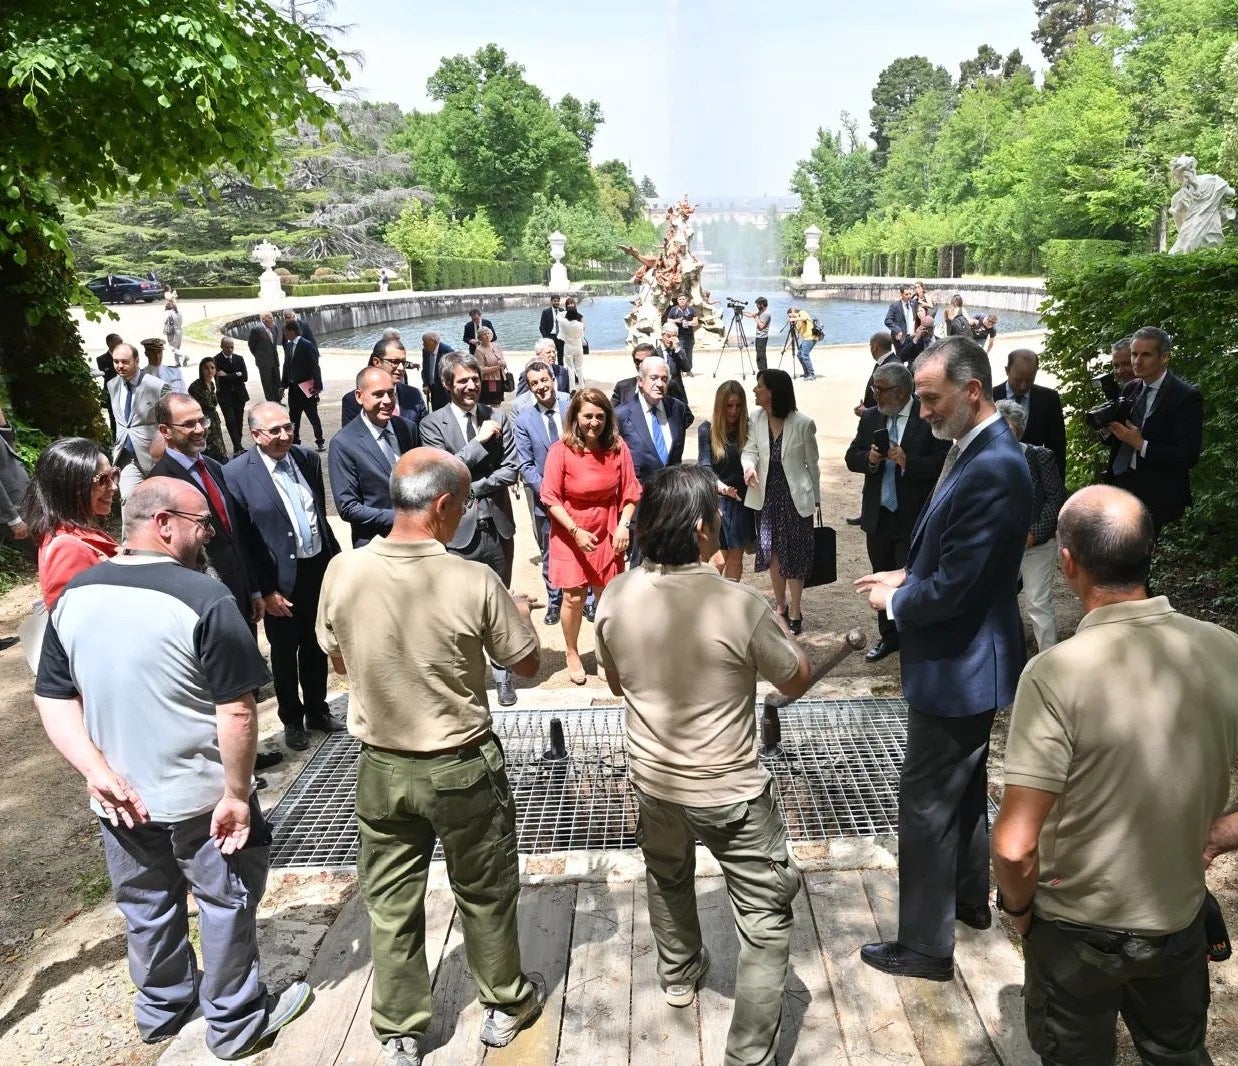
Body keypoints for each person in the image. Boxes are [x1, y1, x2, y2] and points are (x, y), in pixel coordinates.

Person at [34, 477, 311, 1059]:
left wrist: (95, 771)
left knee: (145, 904)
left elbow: (53, 697)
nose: (208, 533)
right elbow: (236, 710)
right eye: (202, 522)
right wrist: (237, 793)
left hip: (118, 798)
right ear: (165, 523)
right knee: (225, 901)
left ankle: (162, 1008)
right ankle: (235, 1023)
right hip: (199, 796)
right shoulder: (205, 599)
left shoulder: (75, 596)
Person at [992, 485, 1238, 1065]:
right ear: (1148, 552)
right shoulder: (1224, 649)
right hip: (1178, 921)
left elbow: (1013, 846)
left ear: (1067, 560)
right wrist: (1225, 832)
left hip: (1075, 931)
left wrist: (1021, 912)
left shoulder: (1055, 674)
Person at [315, 449, 545, 1065]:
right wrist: (520, 616)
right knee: (486, 886)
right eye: (464, 504)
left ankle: (401, 1029)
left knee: (389, 899)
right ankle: (504, 1001)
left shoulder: (343, 570)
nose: (465, 514)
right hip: (461, 764)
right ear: (442, 506)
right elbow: (524, 665)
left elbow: (337, 657)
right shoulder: (472, 579)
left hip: (381, 764)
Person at [594, 464, 812, 1066]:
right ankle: (747, 1055)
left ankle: (679, 972)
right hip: (732, 792)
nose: (722, 523)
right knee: (766, 921)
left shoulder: (616, 595)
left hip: (653, 783)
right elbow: (792, 679)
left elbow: (616, 684)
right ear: (699, 530)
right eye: (716, 516)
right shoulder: (735, 603)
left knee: (667, 878)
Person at [854, 336, 1031, 982]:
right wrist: (904, 573)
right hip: (970, 660)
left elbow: (958, 586)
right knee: (961, 791)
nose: (922, 411)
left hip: (960, 666)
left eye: (930, 398)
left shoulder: (991, 465)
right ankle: (967, 902)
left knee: (926, 801)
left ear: (972, 390)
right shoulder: (976, 448)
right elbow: (955, 558)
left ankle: (926, 947)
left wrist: (898, 604)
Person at [224, 401, 346, 752]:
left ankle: (317, 711)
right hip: (277, 579)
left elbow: (318, 516)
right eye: (274, 431)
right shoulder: (237, 474)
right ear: (256, 435)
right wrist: (265, 590)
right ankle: (291, 719)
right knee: (284, 651)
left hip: (315, 569)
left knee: (315, 644)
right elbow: (244, 542)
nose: (284, 436)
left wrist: (332, 565)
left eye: (288, 427)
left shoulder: (307, 459)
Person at [419, 352, 522, 706]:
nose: (471, 386)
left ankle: (502, 673)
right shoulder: (431, 424)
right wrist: (479, 442)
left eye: (475, 379)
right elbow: (443, 472)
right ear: (447, 384)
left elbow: (511, 468)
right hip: (455, 531)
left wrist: (472, 488)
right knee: (457, 608)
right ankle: (465, 679)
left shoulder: (498, 416)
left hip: (498, 525)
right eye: (462, 380)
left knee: (499, 603)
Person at [844, 362, 949, 663]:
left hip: (913, 517)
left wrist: (908, 461)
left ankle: (914, 638)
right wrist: (871, 459)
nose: (874, 395)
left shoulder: (926, 415)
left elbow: (944, 462)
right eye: (874, 388)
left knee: (911, 579)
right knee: (880, 575)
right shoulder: (872, 418)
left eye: (880, 390)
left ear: (901, 391)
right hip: (878, 514)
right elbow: (852, 456)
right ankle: (888, 637)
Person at [540, 389, 640, 684]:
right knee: (573, 598)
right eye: (588, 416)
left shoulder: (618, 448)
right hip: (571, 531)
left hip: (607, 527)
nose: (594, 422)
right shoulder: (561, 450)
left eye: (599, 416)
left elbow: (631, 491)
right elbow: (550, 497)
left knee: (607, 598)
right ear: (576, 417)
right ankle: (571, 651)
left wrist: (624, 524)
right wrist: (575, 530)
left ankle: (606, 653)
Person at [151, 394, 269, 628]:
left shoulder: (215, 468)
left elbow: (235, 534)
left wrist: (253, 589)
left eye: (202, 421)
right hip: (202, 604)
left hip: (239, 594)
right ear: (165, 431)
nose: (199, 429)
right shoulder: (159, 483)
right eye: (188, 424)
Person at [1105, 325, 1203, 534]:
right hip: (1122, 481)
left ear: (1164, 357)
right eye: (1134, 354)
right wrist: (1108, 429)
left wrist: (1141, 444)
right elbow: (1120, 438)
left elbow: (1188, 456)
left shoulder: (1185, 397)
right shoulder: (1132, 387)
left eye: (1146, 355)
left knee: (1139, 557)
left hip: (1156, 492)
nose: (1137, 361)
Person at [742, 369, 820, 635]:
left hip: (794, 497)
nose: (755, 390)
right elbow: (750, 450)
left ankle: (796, 608)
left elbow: (813, 465)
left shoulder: (803, 423)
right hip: (766, 497)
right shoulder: (756, 418)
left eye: (760, 386)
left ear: (773, 391)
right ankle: (780, 605)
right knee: (773, 551)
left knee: (795, 554)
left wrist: (817, 500)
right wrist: (749, 467)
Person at [998, 400, 1066, 652]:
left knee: (1038, 604)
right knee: (998, 602)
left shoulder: (1040, 457)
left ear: (1020, 430)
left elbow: (1055, 499)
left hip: (1036, 545)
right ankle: (1007, 657)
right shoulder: (986, 460)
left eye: (1010, 430)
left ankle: (1049, 659)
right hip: (1001, 545)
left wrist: (1033, 535)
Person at [24, 438, 119, 609]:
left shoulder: (78, 530)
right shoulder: (67, 548)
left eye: (114, 475)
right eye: (104, 480)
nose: (114, 487)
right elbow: (76, 619)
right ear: (72, 487)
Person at [328, 367, 416, 547]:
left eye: (391, 393)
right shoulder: (343, 443)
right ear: (359, 396)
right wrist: (400, 518)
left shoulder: (408, 428)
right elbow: (348, 507)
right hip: (375, 544)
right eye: (378, 394)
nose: (387, 401)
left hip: (416, 538)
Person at [513, 360, 572, 625]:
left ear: (553, 379)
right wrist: (547, 494)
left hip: (577, 496)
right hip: (545, 500)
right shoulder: (524, 419)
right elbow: (525, 464)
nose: (541, 387)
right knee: (550, 552)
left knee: (582, 547)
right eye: (534, 383)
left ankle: (589, 600)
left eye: (544, 380)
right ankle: (555, 601)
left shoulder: (571, 407)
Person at [697, 381, 754, 581]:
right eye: (729, 406)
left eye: (738, 406)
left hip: (741, 499)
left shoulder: (748, 428)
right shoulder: (707, 429)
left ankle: (731, 601)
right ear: (720, 406)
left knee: (736, 556)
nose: (733, 411)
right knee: (719, 558)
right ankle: (708, 598)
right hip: (718, 499)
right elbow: (704, 466)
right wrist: (721, 488)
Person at [108, 342, 172, 502]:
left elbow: (171, 421)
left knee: (164, 503)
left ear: (137, 361)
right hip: (127, 459)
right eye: (116, 361)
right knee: (129, 505)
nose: (120, 366)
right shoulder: (112, 385)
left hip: (155, 457)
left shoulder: (157, 386)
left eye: (125, 361)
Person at [614, 356, 693, 484]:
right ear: (640, 381)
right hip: (639, 496)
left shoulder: (677, 408)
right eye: (653, 378)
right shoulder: (621, 415)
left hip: (673, 493)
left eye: (664, 379)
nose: (660, 384)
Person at [993, 348, 1067, 480]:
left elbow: (1058, 446)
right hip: (997, 475)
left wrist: (1057, 483)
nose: (1023, 386)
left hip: (1036, 478)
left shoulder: (1049, 399)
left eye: (1029, 380)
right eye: (1018, 380)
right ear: (1007, 370)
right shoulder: (990, 397)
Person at [340, 341, 427, 440]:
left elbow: (424, 435)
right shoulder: (352, 400)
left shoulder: (413, 395)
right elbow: (351, 440)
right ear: (376, 362)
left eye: (403, 362)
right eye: (394, 362)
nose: (401, 368)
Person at [282, 320, 324, 451]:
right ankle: (295, 442)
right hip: (293, 389)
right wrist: (283, 385)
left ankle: (320, 441)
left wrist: (318, 386)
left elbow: (315, 366)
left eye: (285, 331)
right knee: (293, 418)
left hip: (307, 388)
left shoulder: (307, 345)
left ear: (291, 331)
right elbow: (286, 366)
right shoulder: (288, 347)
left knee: (313, 416)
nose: (284, 334)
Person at [0, 403, 31, 552]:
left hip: (24, 499)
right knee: (44, 554)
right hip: (14, 510)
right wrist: (14, 520)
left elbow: (8, 442)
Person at [187, 357, 229, 463]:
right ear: (201, 369)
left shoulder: (212, 384)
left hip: (214, 421)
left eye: (212, 368)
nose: (209, 371)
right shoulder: (195, 386)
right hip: (203, 421)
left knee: (219, 447)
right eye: (206, 368)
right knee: (208, 448)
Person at [214, 336, 250, 457]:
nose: (230, 349)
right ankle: (237, 447)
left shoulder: (239, 359)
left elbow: (245, 377)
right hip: (225, 397)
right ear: (221, 347)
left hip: (239, 395)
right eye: (227, 347)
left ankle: (238, 445)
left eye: (232, 347)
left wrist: (229, 375)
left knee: (239, 421)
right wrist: (236, 374)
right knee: (230, 421)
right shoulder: (216, 360)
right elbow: (219, 379)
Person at [511, 339, 572, 412]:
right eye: (548, 352)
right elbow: (521, 398)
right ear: (538, 354)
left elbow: (566, 394)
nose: (552, 355)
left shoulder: (562, 371)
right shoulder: (527, 374)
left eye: (554, 351)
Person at [855, 332, 901, 416]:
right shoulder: (885, 363)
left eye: (870, 346)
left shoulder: (891, 367)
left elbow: (893, 402)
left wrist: (867, 412)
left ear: (874, 347)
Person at [247, 312, 282, 403]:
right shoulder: (256, 329)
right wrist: (259, 356)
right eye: (270, 318)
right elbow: (251, 345)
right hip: (263, 362)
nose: (272, 319)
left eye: (272, 317)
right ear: (264, 319)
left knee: (277, 382)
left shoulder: (274, 328)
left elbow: (273, 345)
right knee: (267, 384)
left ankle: (278, 401)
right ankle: (271, 403)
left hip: (274, 360)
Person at [654, 324, 692, 406]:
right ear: (662, 336)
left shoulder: (678, 352)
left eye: (674, 336)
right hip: (660, 392)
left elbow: (687, 368)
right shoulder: (655, 352)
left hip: (677, 393)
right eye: (668, 336)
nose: (670, 339)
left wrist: (677, 349)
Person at [419, 331, 456, 411]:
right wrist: (425, 384)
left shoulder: (447, 351)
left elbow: (453, 372)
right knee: (436, 412)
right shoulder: (425, 351)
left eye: (425, 342)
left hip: (445, 391)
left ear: (434, 342)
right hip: (433, 389)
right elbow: (425, 369)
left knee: (448, 412)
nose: (423, 344)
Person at [612, 342, 655, 409]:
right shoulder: (622, 387)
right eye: (637, 362)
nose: (640, 365)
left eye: (645, 361)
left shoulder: (669, 386)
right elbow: (610, 413)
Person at [474, 326, 508, 406]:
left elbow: (502, 360)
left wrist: (503, 363)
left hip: (501, 377)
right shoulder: (479, 350)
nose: (487, 335)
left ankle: (496, 416)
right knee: (493, 401)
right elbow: (480, 369)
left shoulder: (496, 346)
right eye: (484, 334)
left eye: (488, 333)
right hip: (490, 381)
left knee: (498, 400)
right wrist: (497, 367)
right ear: (480, 337)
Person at [97, 333, 123, 436]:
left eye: (122, 341)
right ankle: (115, 440)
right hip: (112, 393)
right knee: (113, 418)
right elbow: (108, 375)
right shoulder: (102, 359)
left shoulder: (126, 357)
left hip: (126, 391)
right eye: (118, 342)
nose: (121, 344)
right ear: (110, 343)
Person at [666, 293, 699, 373]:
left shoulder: (691, 309)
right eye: (680, 299)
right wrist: (676, 321)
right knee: (680, 352)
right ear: (677, 301)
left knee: (689, 353)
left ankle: (689, 370)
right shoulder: (674, 309)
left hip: (689, 336)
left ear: (686, 300)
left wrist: (687, 323)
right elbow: (668, 320)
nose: (682, 301)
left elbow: (696, 322)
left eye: (683, 299)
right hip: (678, 336)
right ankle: (681, 370)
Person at [559, 304, 587, 388]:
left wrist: (565, 312)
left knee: (570, 368)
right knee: (579, 367)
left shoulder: (564, 323)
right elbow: (582, 335)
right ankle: (582, 386)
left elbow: (558, 316)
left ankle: (572, 388)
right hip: (578, 347)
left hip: (568, 347)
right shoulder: (580, 325)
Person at [787, 307, 817, 379]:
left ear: (793, 311)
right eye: (789, 317)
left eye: (790, 316)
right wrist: (786, 348)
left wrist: (794, 319)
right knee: (799, 355)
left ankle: (811, 374)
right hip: (806, 339)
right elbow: (794, 337)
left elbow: (804, 318)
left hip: (811, 337)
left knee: (804, 355)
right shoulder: (798, 323)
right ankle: (806, 373)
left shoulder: (802, 312)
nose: (790, 318)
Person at [745, 297, 772, 371]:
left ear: (762, 305)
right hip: (759, 337)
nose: (757, 306)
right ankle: (763, 371)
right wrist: (741, 312)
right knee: (759, 355)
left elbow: (761, 326)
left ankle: (763, 371)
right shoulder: (761, 311)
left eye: (757, 304)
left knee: (760, 356)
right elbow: (751, 315)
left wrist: (756, 318)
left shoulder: (766, 313)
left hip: (762, 338)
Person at [538, 293, 565, 366]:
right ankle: (549, 370)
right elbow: (541, 327)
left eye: (557, 301)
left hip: (560, 336)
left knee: (560, 356)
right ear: (551, 302)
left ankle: (560, 371)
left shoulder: (562, 311)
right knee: (549, 355)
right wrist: (546, 338)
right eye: (554, 301)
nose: (556, 303)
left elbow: (565, 325)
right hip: (550, 336)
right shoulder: (546, 312)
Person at [163, 299, 185, 366]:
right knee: (177, 347)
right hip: (180, 331)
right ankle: (177, 362)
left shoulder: (169, 313)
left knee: (172, 348)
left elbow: (165, 322)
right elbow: (181, 322)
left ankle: (183, 356)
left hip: (172, 332)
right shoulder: (179, 313)